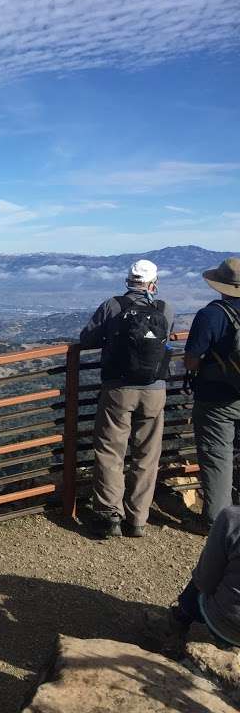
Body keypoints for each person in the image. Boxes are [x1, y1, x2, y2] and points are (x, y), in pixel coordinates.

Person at [79, 259, 174, 539]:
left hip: (118, 388)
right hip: (155, 389)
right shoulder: (165, 308)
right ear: (153, 284)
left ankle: (109, 515)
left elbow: (86, 338)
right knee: (147, 453)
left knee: (110, 451)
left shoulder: (112, 306)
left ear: (128, 280)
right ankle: (138, 519)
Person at [184, 258, 240, 528]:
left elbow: (192, 360)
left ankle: (219, 525)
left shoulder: (211, 314)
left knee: (217, 457)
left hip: (217, 399)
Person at [158, 504, 240, 657]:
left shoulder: (232, 517)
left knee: (200, 580)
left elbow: (205, 582)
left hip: (227, 627)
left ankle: (180, 621)